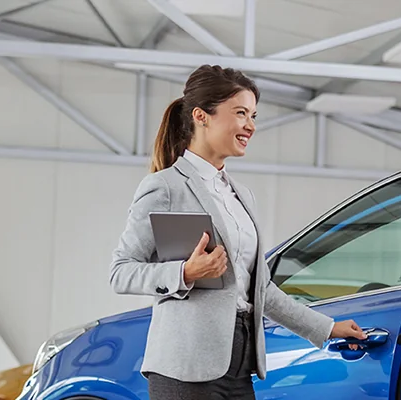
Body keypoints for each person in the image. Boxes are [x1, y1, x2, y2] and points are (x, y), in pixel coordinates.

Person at [109, 65, 367, 400]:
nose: (251, 125)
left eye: (253, 115)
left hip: (239, 364)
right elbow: (121, 271)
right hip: (185, 367)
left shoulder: (242, 196)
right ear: (202, 116)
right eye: (241, 113)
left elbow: (259, 289)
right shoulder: (165, 187)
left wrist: (326, 327)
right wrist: (185, 272)